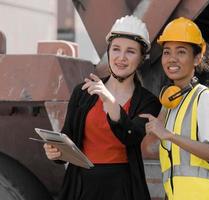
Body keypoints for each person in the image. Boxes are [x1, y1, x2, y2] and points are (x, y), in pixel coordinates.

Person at [43, 15, 161, 200]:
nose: (121, 57)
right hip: (81, 187)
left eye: (130, 51)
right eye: (116, 49)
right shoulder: (82, 93)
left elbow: (132, 137)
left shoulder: (148, 101)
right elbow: (68, 139)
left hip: (121, 188)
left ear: (141, 58)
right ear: (109, 51)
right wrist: (56, 153)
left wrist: (110, 102)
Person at [140, 17, 209, 200]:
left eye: (181, 52)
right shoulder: (173, 101)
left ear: (197, 58)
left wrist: (170, 135)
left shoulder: (204, 98)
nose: (172, 59)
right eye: (167, 52)